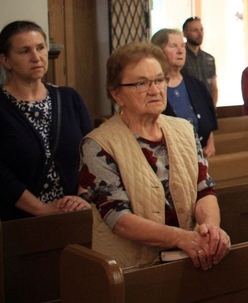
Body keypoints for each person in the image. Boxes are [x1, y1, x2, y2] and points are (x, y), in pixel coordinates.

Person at [78, 42, 230, 269]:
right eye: (141, 83)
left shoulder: (184, 129)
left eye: (159, 80)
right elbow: (119, 219)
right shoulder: (98, 143)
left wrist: (211, 230)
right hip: (132, 269)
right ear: (116, 93)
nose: (155, 89)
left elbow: (204, 190)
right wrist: (182, 238)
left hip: (189, 259)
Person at [0, 21, 93, 221]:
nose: (36, 57)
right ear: (6, 60)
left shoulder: (69, 98)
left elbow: (92, 152)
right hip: (18, 222)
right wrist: (41, 209)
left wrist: (82, 195)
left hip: (74, 214)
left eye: (40, 48)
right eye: (24, 51)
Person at [152, 28, 218, 157]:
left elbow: (208, 122)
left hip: (200, 157)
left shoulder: (196, 85)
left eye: (183, 46)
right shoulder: (153, 88)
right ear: (158, 51)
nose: (181, 51)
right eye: (173, 46)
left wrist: (210, 145)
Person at [182, 17, 218, 106]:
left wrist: (212, 108)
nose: (200, 34)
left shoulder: (209, 59)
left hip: (206, 107)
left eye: (201, 30)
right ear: (185, 33)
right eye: (195, 30)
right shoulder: (180, 57)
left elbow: (214, 88)